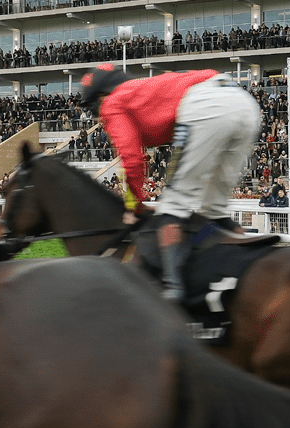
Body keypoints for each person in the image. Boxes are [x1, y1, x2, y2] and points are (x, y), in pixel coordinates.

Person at [78, 63, 262, 302]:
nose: (99, 117)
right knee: (215, 209)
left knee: (172, 207)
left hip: (206, 106)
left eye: (95, 108)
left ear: (101, 97)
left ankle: (173, 292)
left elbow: (132, 160)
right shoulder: (138, 90)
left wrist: (134, 208)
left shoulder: (113, 102)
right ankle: (251, 265)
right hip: (243, 102)